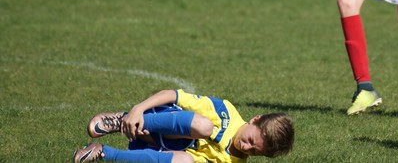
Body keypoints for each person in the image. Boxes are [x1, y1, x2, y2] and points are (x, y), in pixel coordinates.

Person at [72, 89, 294, 162]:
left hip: (157, 149)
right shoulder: (225, 112)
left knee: (186, 161)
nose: (246, 148)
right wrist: (138, 109)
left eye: (254, 152)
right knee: (204, 126)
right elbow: (173, 95)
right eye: (250, 140)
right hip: (158, 119)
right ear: (255, 119)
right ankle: (123, 120)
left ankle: (103, 153)